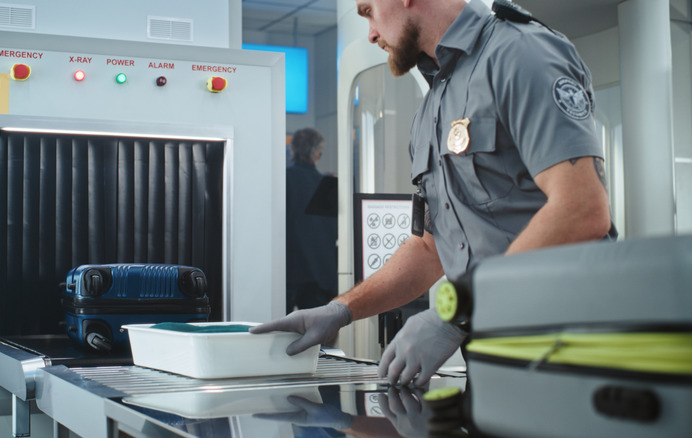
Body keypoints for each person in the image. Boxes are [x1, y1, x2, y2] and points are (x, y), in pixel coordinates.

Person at [251, 0, 616, 387]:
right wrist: (341, 309)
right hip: (496, 357)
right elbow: (429, 248)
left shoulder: (520, 53)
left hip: (574, 351)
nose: (371, 34)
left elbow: (581, 209)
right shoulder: (432, 108)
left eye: (370, 11)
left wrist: (455, 314)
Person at [285, 128, 338, 315]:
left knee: (279, 329)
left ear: (293, 151)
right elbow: (335, 232)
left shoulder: (281, 180)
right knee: (315, 330)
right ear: (318, 154)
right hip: (319, 276)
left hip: (287, 273)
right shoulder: (328, 186)